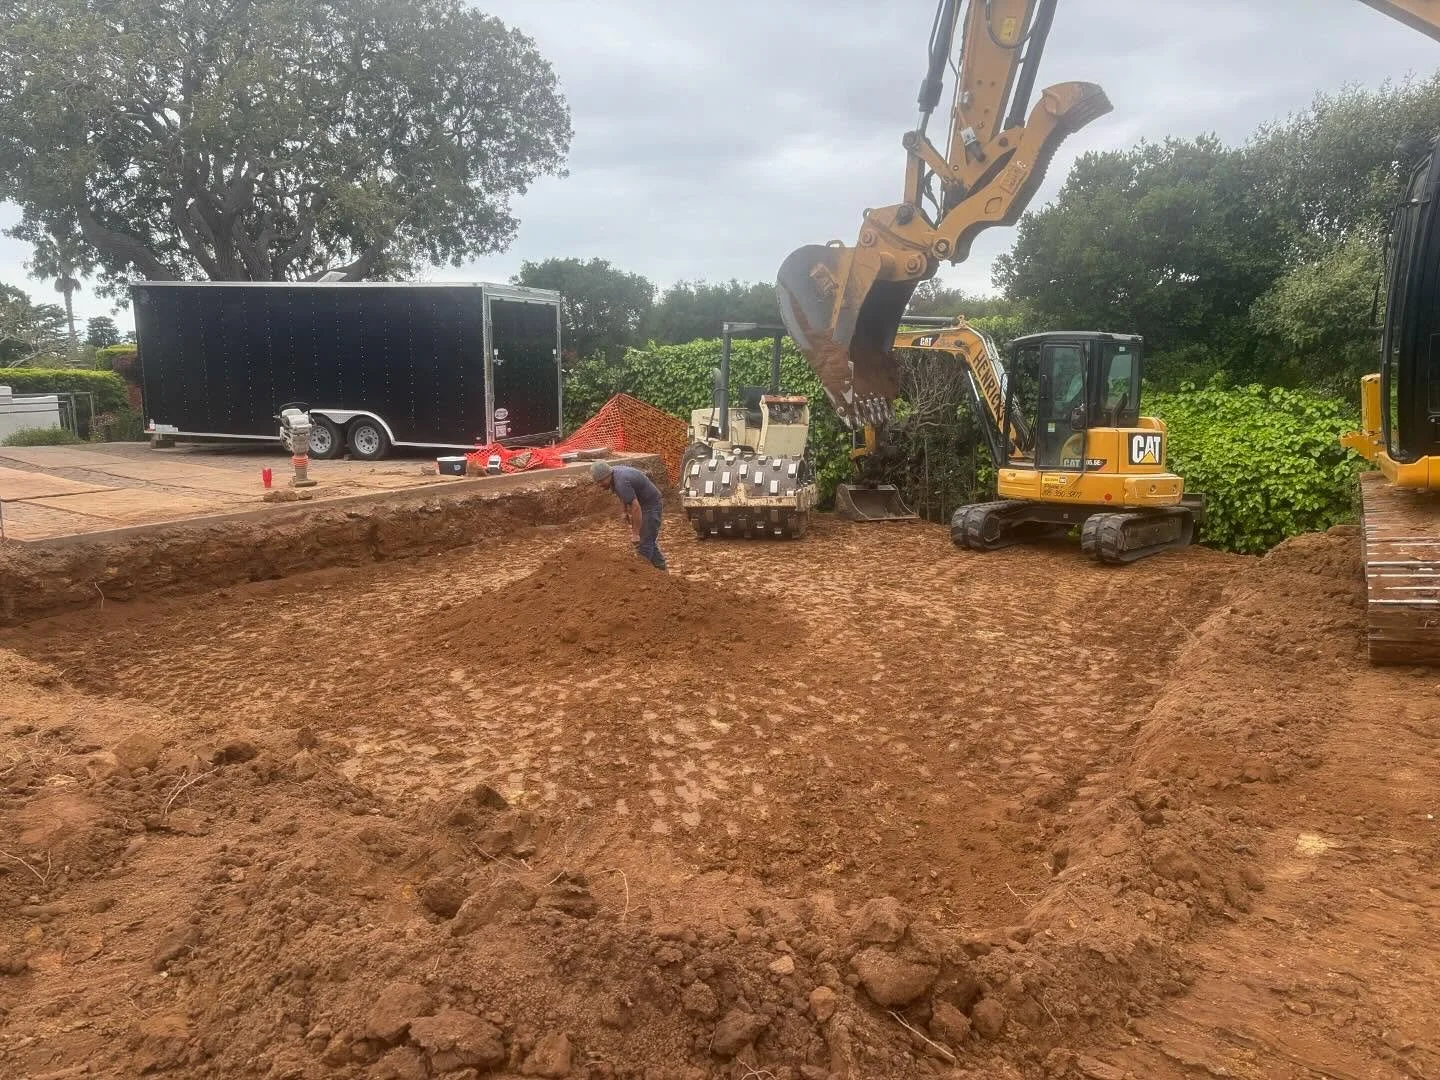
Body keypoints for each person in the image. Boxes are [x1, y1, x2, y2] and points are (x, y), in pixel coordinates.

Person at [592, 461, 667, 571]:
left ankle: (641, 575)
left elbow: (636, 507)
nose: (600, 485)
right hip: (644, 504)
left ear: (607, 475)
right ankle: (663, 571)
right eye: (597, 482)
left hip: (650, 505)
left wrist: (635, 534)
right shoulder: (614, 474)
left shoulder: (621, 482)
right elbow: (623, 494)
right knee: (648, 540)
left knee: (644, 544)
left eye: (601, 481)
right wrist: (624, 511)